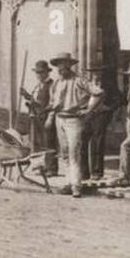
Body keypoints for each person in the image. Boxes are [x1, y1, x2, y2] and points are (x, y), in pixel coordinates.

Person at [46, 52, 102, 198]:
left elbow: (97, 93)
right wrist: (50, 115)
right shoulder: (57, 83)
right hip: (60, 119)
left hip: (74, 121)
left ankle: (77, 186)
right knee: (64, 154)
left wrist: (88, 109)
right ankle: (68, 183)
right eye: (58, 65)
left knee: (73, 153)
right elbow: (53, 103)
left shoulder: (79, 81)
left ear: (69, 65)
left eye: (63, 65)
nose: (60, 69)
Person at [21, 59, 58, 174]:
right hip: (37, 117)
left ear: (47, 72)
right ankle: (44, 167)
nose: (39, 75)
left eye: (41, 72)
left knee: (49, 143)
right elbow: (35, 101)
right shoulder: (38, 86)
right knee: (40, 143)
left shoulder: (51, 85)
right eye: (37, 73)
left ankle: (52, 168)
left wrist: (49, 117)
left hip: (46, 118)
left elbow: (51, 103)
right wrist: (26, 95)